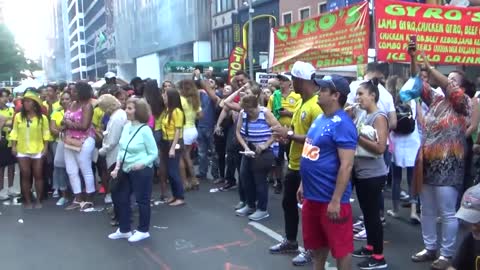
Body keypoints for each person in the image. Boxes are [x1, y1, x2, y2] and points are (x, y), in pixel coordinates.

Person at [408, 49, 471, 269]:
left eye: (453, 80)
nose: (448, 82)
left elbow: (450, 89)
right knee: (427, 209)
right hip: (428, 161)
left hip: (449, 164)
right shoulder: (436, 99)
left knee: (446, 211)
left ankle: (446, 254)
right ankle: (430, 247)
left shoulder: (463, 102)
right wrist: (414, 59)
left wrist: (432, 69)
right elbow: (418, 84)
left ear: (460, 87)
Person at [298, 74, 357, 270]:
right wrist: (302, 184)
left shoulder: (343, 124)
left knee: (341, 250)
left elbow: (346, 165)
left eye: (323, 89)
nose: (318, 92)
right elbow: (310, 151)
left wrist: (336, 200)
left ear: (335, 95)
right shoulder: (321, 119)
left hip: (330, 200)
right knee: (317, 248)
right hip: (312, 197)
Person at [270, 61, 322, 266]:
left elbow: (316, 139)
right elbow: (296, 131)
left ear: (301, 81)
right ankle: (291, 241)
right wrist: (287, 136)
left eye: (293, 80)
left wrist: (289, 134)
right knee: (288, 203)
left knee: (309, 211)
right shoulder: (302, 102)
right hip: (293, 163)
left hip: (307, 166)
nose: (291, 84)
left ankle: (311, 250)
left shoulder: (316, 105)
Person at [351, 79, 389, 269]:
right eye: (357, 94)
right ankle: (370, 246)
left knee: (373, 215)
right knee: (366, 213)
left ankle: (378, 256)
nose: (358, 98)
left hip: (373, 174)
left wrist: (355, 136)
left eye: (361, 94)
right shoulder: (363, 115)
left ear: (372, 95)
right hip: (361, 172)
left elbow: (380, 147)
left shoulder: (379, 117)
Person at [108, 98, 158, 242]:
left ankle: (143, 230)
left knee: (142, 200)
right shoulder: (126, 127)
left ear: (138, 111)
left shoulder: (145, 130)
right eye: (127, 108)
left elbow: (153, 153)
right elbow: (121, 149)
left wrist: (143, 163)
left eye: (130, 108)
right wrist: (117, 167)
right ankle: (124, 229)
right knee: (120, 197)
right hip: (125, 168)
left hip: (141, 170)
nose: (126, 111)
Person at [235, 94, 281, 221]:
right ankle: (250, 204)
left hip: (264, 151)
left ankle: (262, 208)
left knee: (259, 180)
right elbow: (238, 132)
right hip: (249, 149)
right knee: (245, 177)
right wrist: (245, 147)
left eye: (249, 110)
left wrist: (265, 145)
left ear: (255, 107)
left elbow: (277, 130)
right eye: (245, 110)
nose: (247, 113)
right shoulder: (243, 114)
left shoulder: (265, 113)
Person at [386, 76, 422, 223]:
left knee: (396, 178)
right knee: (412, 178)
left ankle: (395, 209)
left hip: (397, 141)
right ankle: (414, 211)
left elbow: (390, 123)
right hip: (413, 140)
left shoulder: (390, 101)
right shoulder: (414, 100)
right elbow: (421, 120)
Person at [9, 89, 51, 209]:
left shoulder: (42, 118)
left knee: (38, 175)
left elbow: (46, 134)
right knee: (25, 174)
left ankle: (38, 199)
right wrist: (13, 146)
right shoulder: (18, 117)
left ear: (34, 103)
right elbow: (14, 132)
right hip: (22, 149)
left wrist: (46, 148)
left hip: (38, 149)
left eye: (28, 101)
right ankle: (27, 201)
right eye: (24, 102)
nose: (26, 104)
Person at [63, 82, 96, 211]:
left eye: (75, 91)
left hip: (85, 140)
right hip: (69, 139)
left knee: (85, 169)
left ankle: (89, 199)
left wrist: (68, 123)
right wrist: (65, 122)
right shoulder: (71, 104)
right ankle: (78, 198)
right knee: (71, 170)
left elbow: (84, 126)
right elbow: (65, 120)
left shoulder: (87, 106)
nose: (72, 93)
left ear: (82, 92)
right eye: (72, 91)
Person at [267, 74, 300, 194]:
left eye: (283, 80)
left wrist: (288, 113)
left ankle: (293, 183)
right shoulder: (274, 97)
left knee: (292, 158)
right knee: (278, 159)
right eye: (279, 80)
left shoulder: (297, 96)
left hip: (293, 132)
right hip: (278, 133)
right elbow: (269, 113)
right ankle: (278, 182)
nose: (280, 82)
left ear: (289, 82)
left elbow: (299, 114)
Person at [98, 94, 127, 203]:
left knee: (118, 186)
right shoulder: (119, 114)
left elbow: (112, 140)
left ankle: (120, 209)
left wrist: (102, 151)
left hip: (115, 155)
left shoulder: (116, 118)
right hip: (117, 153)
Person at [161, 88, 186, 206]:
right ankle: (175, 195)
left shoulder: (177, 111)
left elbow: (178, 130)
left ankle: (180, 197)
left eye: (165, 95)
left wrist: (172, 148)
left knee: (173, 171)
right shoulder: (168, 110)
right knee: (170, 171)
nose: (163, 97)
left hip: (175, 142)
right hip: (167, 141)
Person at [447, 184, 480, 270]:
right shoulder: (471, 238)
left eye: (477, 222)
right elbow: (454, 267)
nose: (473, 228)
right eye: (468, 220)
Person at [178, 80, 202, 191]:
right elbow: (200, 115)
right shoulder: (195, 100)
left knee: (182, 157)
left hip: (184, 130)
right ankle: (194, 180)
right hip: (193, 129)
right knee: (187, 156)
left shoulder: (181, 100)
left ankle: (186, 182)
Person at [50, 91, 72, 206]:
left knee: (74, 169)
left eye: (67, 99)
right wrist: (64, 127)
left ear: (72, 100)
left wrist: (61, 127)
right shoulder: (56, 112)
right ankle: (64, 195)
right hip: (60, 143)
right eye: (62, 99)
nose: (64, 101)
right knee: (59, 168)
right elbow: (52, 129)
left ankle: (77, 194)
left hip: (75, 143)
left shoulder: (77, 111)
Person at [0, 88, 17, 200]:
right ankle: (1, 190)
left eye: (6, 96)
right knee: (1, 167)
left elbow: (14, 123)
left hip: (11, 141)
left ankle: (11, 188)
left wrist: (5, 120)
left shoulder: (11, 109)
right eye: (3, 96)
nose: (5, 99)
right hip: (1, 141)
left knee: (11, 166)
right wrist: (5, 121)